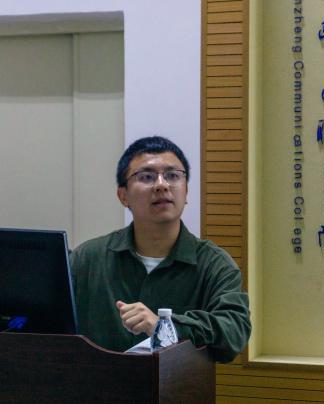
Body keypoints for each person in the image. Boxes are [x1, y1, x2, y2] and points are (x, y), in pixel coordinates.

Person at [70, 136, 251, 363]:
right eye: (146, 177)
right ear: (123, 196)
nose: (161, 185)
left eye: (172, 176)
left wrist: (165, 326)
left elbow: (234, 333)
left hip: (177, 385)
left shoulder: (214, 264)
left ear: (186, 192)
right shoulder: (87, 259)